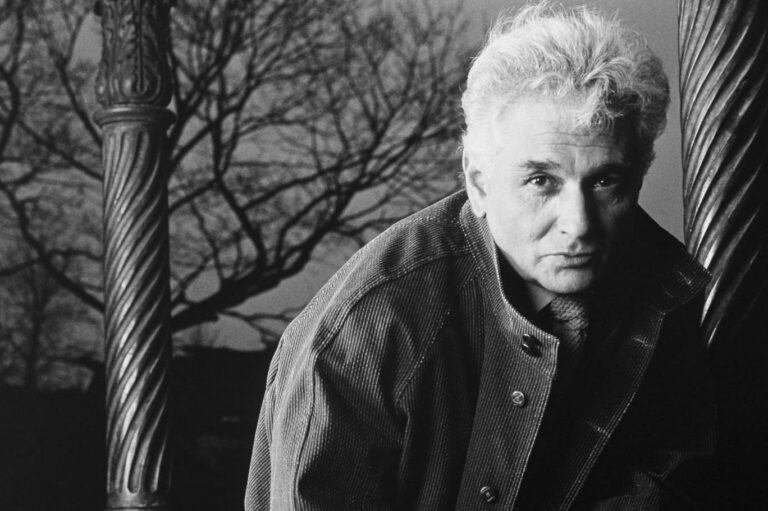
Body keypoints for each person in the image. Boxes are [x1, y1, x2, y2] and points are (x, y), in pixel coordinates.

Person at [245, 4, 714, 510]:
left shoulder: (674, 299)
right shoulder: (367, 329)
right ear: (478, 183)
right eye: (541, 180)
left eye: (606, 181)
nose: (578, 224)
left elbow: (678, 479)